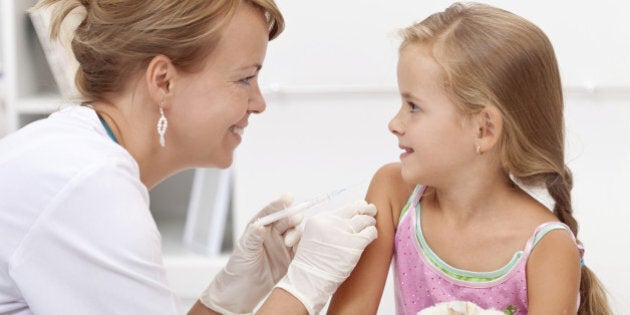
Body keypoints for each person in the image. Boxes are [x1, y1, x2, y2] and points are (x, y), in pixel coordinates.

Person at [0, 1, 378, 314]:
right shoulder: (89, 189)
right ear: (163, 81)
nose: (259, 103)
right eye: (245, 78)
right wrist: (301, 288)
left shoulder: (79, 155)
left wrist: (227, 298)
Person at [327, 2, 611, 315]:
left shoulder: (547, 247)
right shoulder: (394, 192)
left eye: (414, 106)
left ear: (483, 129)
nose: (394, 123)